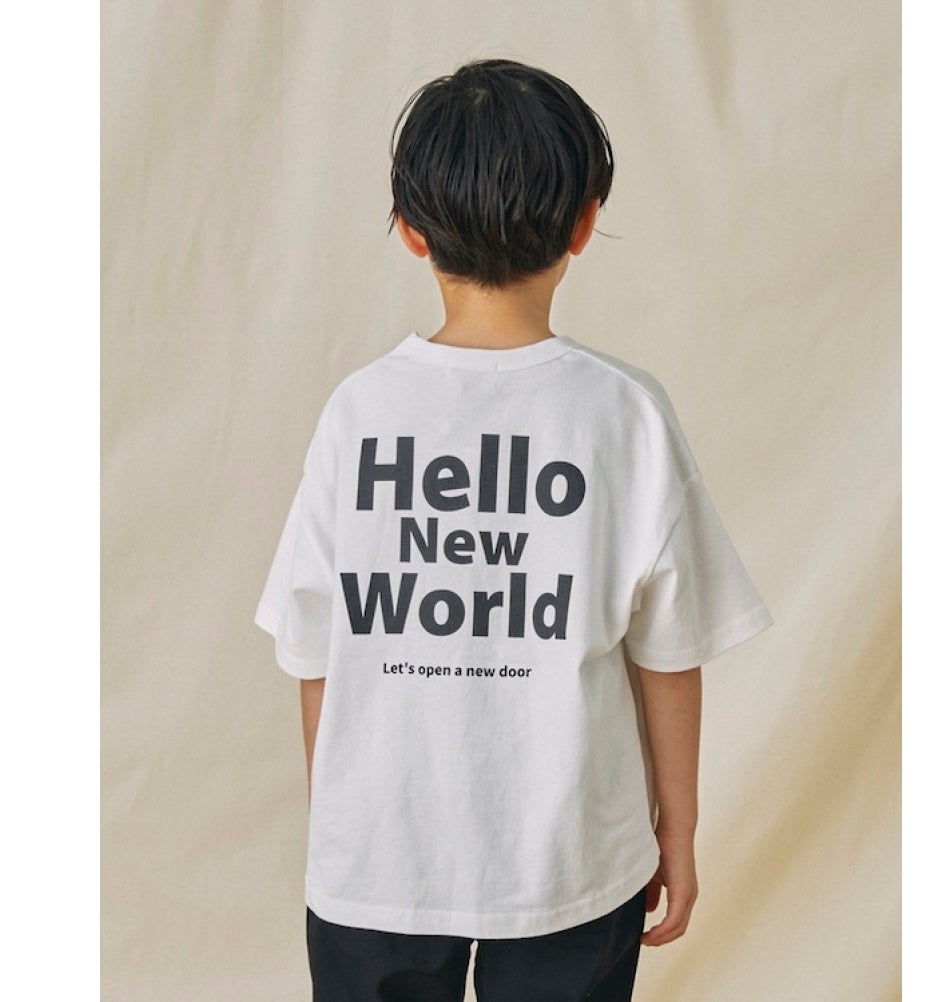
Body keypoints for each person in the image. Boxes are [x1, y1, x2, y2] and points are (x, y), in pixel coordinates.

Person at [254, 57, 774, 1002]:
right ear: (585, 222)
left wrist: (342, 828)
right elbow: (670, 653)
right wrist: (679, 827)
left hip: (378, 861)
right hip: (571, 861)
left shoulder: (358, 413)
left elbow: (316, 649)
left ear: (410, 230)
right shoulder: (624, 414)